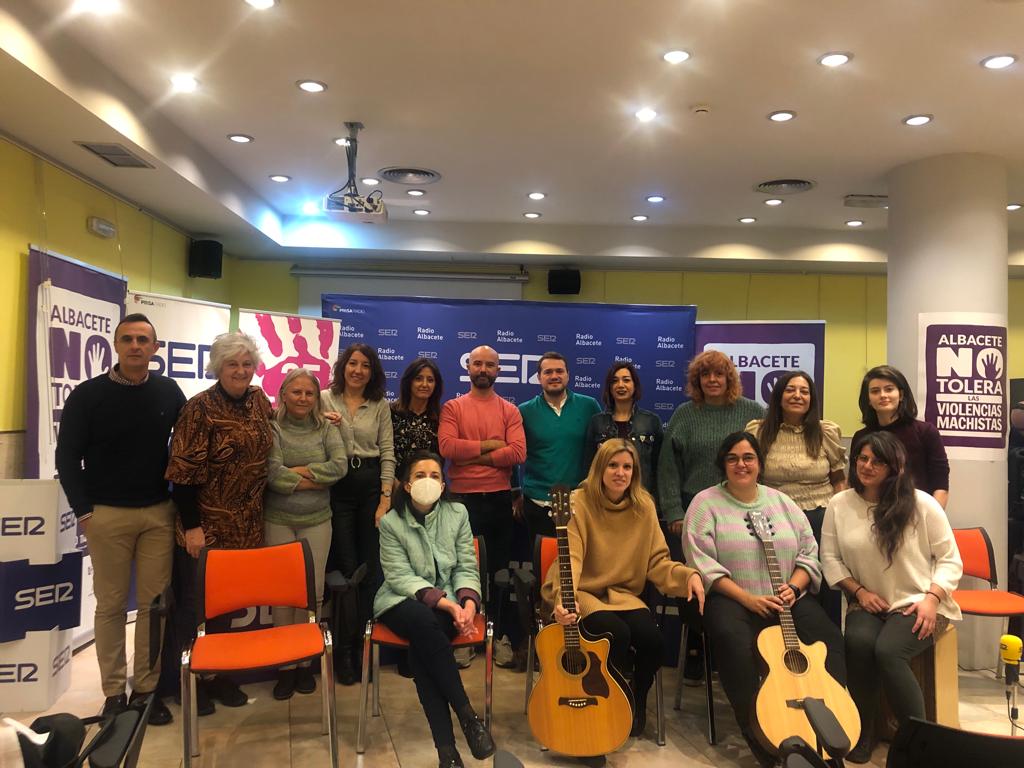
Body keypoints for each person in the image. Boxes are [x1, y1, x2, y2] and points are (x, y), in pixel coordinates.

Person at [684, 431, 846, 768]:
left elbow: (809, 551)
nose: (741, 464)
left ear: (759, 463)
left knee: (828, 638)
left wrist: (796, 586)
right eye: (733, 458)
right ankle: (763, 739)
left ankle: (831, 731)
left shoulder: (782, 502)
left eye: (748, 458)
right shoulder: (705, 503)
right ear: (722, 464)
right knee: (733, 643)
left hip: (786, 598)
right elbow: (701, 562)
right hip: (732, 598)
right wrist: (748, 598)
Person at [55, 313, 185, 725]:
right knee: (110, 606)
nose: (135, 346)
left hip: (158, 514)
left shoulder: (169, 392)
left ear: (155, 348)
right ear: (115, 345)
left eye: (143, 340)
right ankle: (114, 693)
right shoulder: (87, 396)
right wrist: (84, 510)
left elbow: (193, 441)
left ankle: (146, 690)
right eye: (127, 339)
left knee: (152, 606)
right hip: (106, 514)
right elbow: (66, 457)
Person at [543, 439, 705, 741]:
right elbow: (573, 558)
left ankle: (636, 700)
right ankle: (607, 704)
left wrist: (688, 576)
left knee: (652, 641)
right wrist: (564, 598)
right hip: (584, 591)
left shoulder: (644, 506)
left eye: (627, 467)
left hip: (623, 595)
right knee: (615, 634)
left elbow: (658, 562)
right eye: (613, 465)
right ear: (599, 469)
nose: (620, 472)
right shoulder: (578, 502)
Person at [821, 431, 962, 764]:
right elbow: (830, 558)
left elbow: (950, 558)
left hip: (920, 601)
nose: (867, 466)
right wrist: (859, 591)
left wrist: (932, 598)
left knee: (888, 651)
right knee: (856, 643)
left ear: (895, 466)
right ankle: (862, 732)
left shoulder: (921, 503)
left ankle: (920, 744)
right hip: (866, 601)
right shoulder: (840, 504)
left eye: (877, 461)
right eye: (862, 459)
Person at [165, 331, 273, 715]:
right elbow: (182, 474)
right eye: (232, 364)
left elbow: (285, 432)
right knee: (195, 608)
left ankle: (222, 675)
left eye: (246, 364)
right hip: (206, 526)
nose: (241, 371)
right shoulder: (199, 408)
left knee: (228, 608)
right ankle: (191, 682)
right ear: (217, 367)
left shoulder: (259, 401)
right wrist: (192, 527)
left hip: (247, 525)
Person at [374, 451, 496, 768]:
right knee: (424, 623)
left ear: (443, 485)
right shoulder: (390, 522)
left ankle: (448, 755)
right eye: (420, 475)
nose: (428, 481)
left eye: (435, 476)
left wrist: (468, 604)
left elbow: (467, 566)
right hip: (401, 600)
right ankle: (468, 715)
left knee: (422, 652)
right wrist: (449, 606)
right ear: (405, 484)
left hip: (449, 602)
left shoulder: (457, 514)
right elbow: (399, 576)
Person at [658, 349, 764, 683]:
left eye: (719, 374)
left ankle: (738, 652)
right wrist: (674, 510)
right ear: (697, 381)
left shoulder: (752, 413)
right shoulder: (685, 414)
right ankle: (697, 652)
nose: (713, 380)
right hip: (694, 512)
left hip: (741, 514)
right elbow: (668, 467)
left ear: (730, 378)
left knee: (740, 582)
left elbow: (761, 462)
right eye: (706, 375)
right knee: (694, 584)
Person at [264, 368, 348, 700]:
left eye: (309, 393)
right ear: (283, 394)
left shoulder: (327, 428)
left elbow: (339, 467)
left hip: (318, 520)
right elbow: (271, 473)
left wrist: (295, 474)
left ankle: (304, 663)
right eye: (296, 392)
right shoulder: (271, 427)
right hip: (278, 520)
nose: (302, 398)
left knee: (311, 594)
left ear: (317, 397)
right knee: (283, 595)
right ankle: (285, 667)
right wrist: (316, 476)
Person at [320, 342, 396, 683]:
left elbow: (388, 454)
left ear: (372, 371)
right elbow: (297, 425)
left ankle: (364, 645)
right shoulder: (323, 398)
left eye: (365, 365)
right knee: (346, 570)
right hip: (336, 487)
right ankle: (343, 652)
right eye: (353, 363)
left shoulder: (379, 405)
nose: (358, 370)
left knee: (370, 570)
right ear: (343, 367)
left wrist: (384, 501)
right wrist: (322, 421)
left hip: (369, 487)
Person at [746, 370, 847, 624]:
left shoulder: (826, 433)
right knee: (778, 583)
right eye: (790, 390)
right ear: (779, 396)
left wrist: (843, 518)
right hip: (771, 520)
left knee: (823, 584)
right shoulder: (758, 431)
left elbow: (838, 479)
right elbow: (750, 477)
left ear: (812, 399)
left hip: (820, 519)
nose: (797, 396)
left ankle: (826, 649)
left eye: (804, 391)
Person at [438, 346, 526, 615]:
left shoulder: (509, 410)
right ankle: (463, 631)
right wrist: (491, 445)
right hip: (461, 502)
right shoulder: (453, 407)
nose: (483, 370)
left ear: (498, 370)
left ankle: (498, 634)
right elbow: (448, 448)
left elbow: (518, 452)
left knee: (499, 572)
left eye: (489, 365)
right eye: (477, 364)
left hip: (499, 499)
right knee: (460, 569)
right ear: (468, 367)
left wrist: (471, 456)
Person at [518, 351, 602, 544]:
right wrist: (516, 491)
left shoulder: (589, 406)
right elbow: (516, 454)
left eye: (559, 371)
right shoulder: (524, 411)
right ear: (539, 377)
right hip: (537, 502)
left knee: (577, 566)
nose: (554, 376)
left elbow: (602, 452)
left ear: (568, 375)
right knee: (542, 566)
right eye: (548, 372)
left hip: (579, 503)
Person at [851, 365, 949, 508]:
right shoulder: (861, 437)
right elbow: (857, 482)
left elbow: (941, 486)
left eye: (889, 389)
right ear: (868, 400)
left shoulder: (926, 432)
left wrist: (929, 520)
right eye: (875, 391)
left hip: (916, 514)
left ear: (901, 395)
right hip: (870, 514)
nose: (883, 395)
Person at [584, 360, 663, 504]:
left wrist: (655, 503)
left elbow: (660, 468)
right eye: (615, 381)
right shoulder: (597, 422)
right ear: (609, 387)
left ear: (635, 385)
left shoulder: (651, 421)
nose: (621, 385)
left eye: (626, 380)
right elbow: (589, 467)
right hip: (604, 501)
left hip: (641, 501)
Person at [391, 357, 444, 484]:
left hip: (429, 486)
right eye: (418, 378)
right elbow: (382, 452)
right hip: (394, 485)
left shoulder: (442, 416)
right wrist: (393, 484)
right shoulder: (390, 413)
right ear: (409, 382)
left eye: (430, 380)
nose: (425, 384)